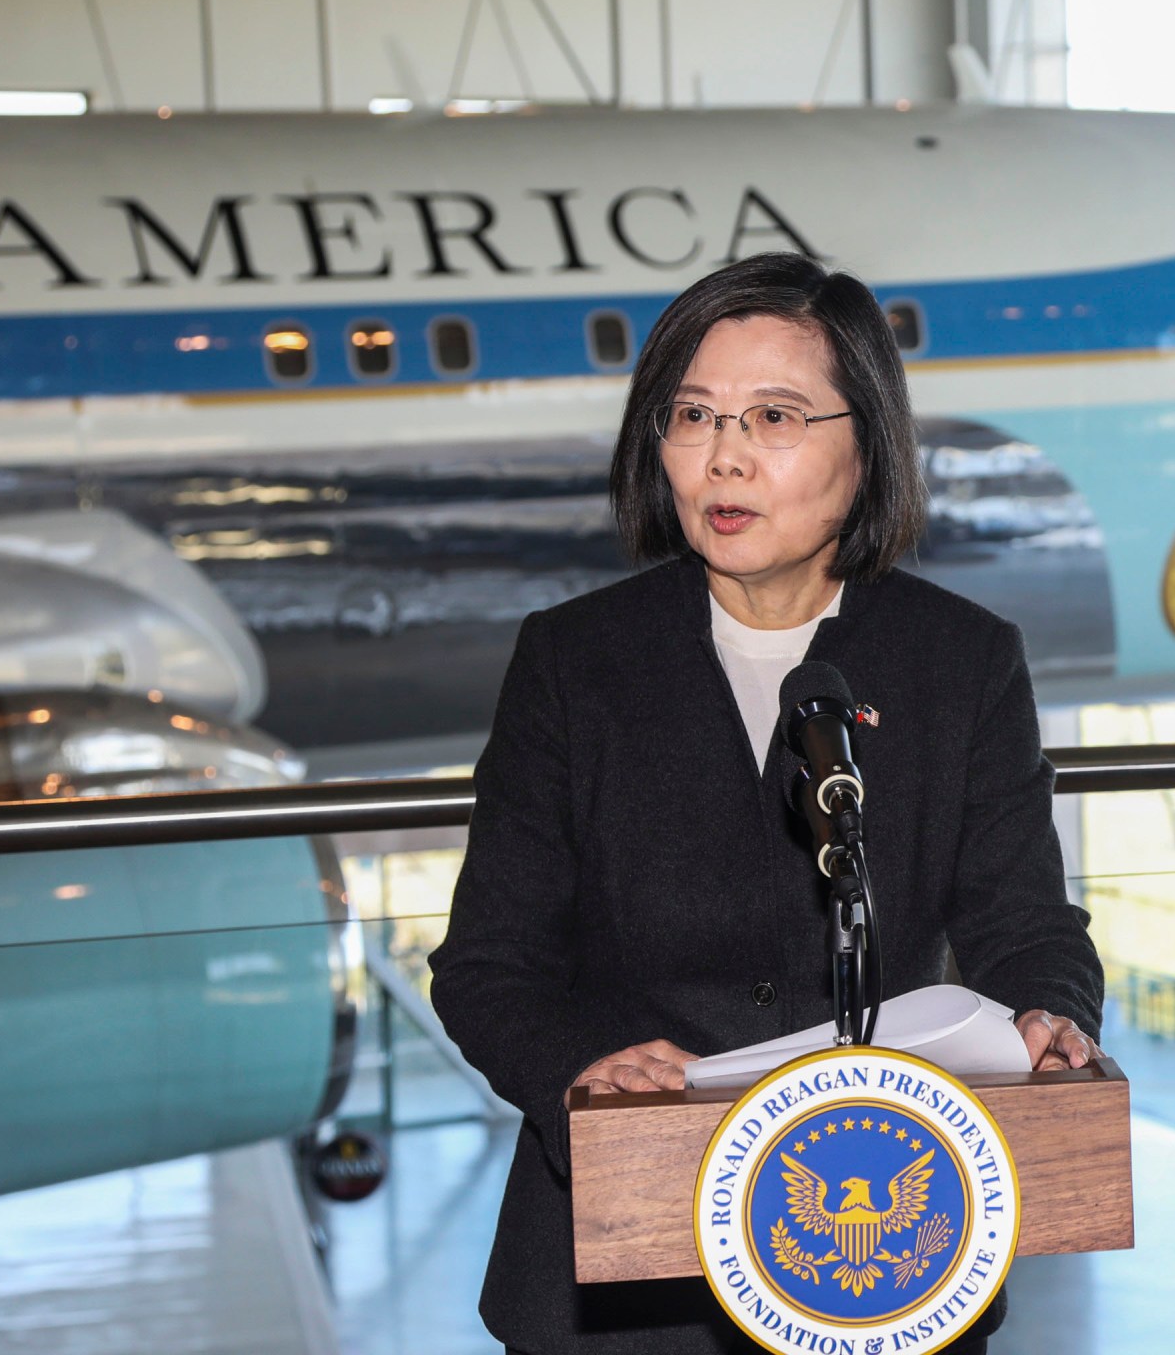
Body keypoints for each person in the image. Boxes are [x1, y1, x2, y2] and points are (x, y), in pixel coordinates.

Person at [429, 251, 1105, 1355]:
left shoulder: (962, 661)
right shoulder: (574, 662)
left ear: (867, 443)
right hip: (626, 1279)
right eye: (693, 415)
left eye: (775, 418)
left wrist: (1051, 1011)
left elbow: (1024, 925)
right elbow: (487, 966)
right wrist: (584, 1065)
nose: (724, 456)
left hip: (888, 1249)